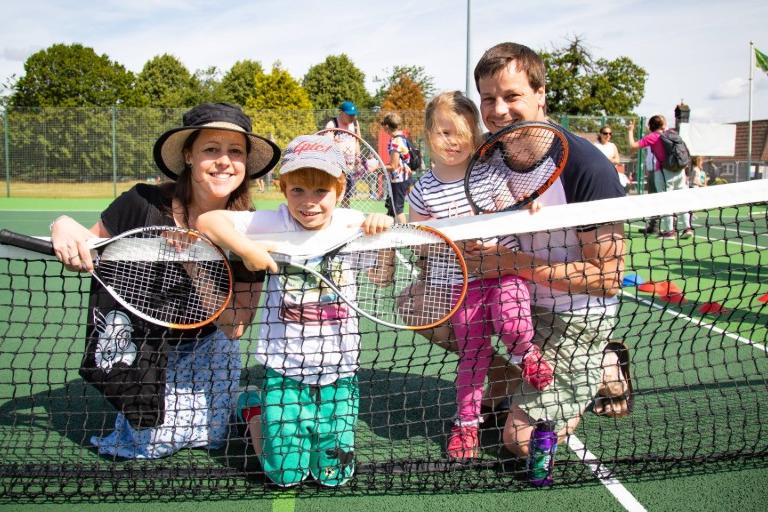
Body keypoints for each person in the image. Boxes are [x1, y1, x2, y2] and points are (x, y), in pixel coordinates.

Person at [48, 102, 281, 458]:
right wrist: (61, 224)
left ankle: (244, 402)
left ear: (246, 163)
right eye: (211, 149)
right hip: (145, 348)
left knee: (211, 440)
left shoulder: (250, 229)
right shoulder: (141, 202)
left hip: (209, 346)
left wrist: (193, 261)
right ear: (189, 155)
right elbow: (90, 247)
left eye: (236, 152)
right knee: (148, 445)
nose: (224, 161)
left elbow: (235, 328)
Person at [197, 135, 393, 487]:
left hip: (341, 371)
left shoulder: (352, 224)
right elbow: (208, 220)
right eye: (298, 190)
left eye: (321, 191)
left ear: (340, 187)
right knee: (283, 475)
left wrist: (383, 237)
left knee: (335, 476)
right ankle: (254, 410)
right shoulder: (273, 222)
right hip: (284, 369)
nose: (309, 202)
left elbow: (380, 278)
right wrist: (248, 250)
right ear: (282, 187)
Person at [468, 42, 628, 459]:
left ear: (541, 94)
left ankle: (606, 362)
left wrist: (510, 263)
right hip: (516, 306)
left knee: (520, 444)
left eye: (512, 95)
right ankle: (513, 377)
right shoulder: (486, 157)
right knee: (421, 306)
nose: (498, 110)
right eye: (488, 98)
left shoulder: (587, 167)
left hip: (575, 318)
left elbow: (608, 279)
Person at [406, 91, 553, 460]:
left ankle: (525, 355)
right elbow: (420, 243)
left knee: (513, 323)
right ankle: (466, 426)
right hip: (461, 284)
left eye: (460, 132)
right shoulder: (422, 189)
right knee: (472, 357)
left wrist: (527, 206)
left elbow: (510, 208)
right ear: (427, 134)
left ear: (474, 134)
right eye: (442, 132)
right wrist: (445, 237)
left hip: (501, 273)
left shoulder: (487, 175)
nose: (451, 141)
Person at [628, 115, 693, 239]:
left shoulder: (652, 137)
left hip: (664, 172)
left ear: (651, 126)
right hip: (680, 170)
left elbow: (633, 146)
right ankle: (687, 228)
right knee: (683, 199)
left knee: (665, 200)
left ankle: (669, 232)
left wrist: (630, 130)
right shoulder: (672, 133)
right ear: (663, 124)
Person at [325, 101, 361, 207]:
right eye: (349, 115)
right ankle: (331, 212)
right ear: (341, 113)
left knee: (347, 194)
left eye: (353, 115)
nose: (352, 117)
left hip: (349, 166)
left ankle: (345, 213)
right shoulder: (332, 124)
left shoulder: (354, 124)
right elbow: (327, 145)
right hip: (336, 166)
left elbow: (357, 140)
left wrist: (358, 157)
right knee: (335, 192)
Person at [381, 112, 412, 224]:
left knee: (398, 209)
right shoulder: (403, 137)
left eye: (383, 124)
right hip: (407, 176)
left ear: (387, 126)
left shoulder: (395, 141)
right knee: (395, 207)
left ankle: (405, 235)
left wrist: (379, 167)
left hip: (399, 179)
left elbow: (393, 166)